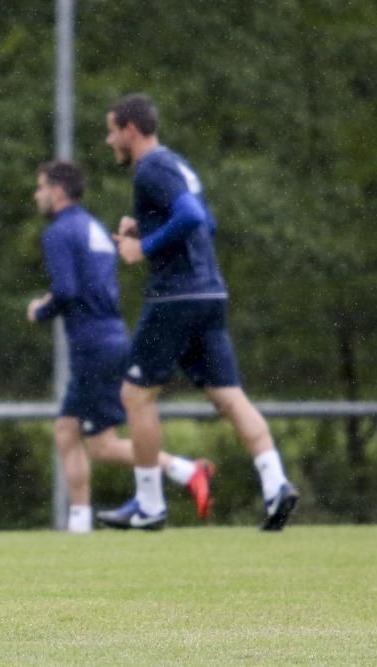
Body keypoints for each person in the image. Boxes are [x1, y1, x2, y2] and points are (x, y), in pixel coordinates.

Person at [97, 93, 299, 531]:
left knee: (136, 395)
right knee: (228, 395)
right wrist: (146, 224)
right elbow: (206, 221)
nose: (109, 138)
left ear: (131, 130)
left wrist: (142, 246)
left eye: (113, 130)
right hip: (211, 293)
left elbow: (190, 217)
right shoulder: (175, 163)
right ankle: (275, 483)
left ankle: (150, 506)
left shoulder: (150, 168)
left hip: (175, 297)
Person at [26, 160, 214, 533]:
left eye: (41, 187)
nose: (37, 194)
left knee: (103, 446)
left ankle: (187, 471)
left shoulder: (59, 232)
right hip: (109, 336)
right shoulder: (92, 226)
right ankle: (78, 524)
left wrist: (41, 309)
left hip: (93, 346)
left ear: (58, 191)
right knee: (66, 430)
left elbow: (66, 291)